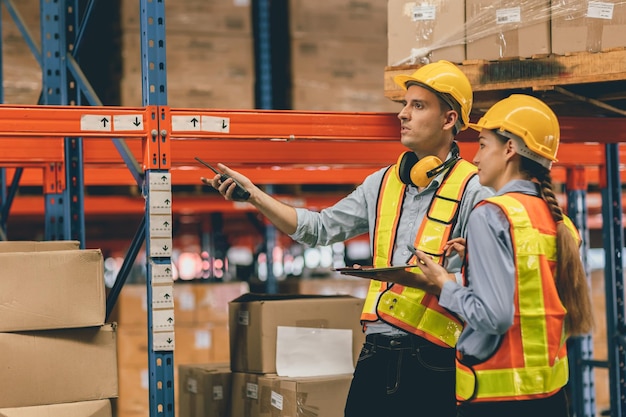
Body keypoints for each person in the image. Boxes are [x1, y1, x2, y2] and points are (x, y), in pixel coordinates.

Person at [201, 60, 492, 417]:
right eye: (404, 104)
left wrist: (440, 280)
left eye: (418, 106)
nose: (403, 114)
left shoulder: (476, 189)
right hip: (375, 350)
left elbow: (490, 285)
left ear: (449, 120)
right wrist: (255, 196)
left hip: (437, 356)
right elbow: (318, 229)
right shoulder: (382, 183)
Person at [399, 94, 594, 417]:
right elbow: (528, 292)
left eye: (483, 145)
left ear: (509, 149)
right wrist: (478, 256)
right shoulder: (559, 223)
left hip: (495, 400)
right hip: (550, 397)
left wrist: (443, 284)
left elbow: (495, 317)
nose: (475, 159)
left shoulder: (490, 214)